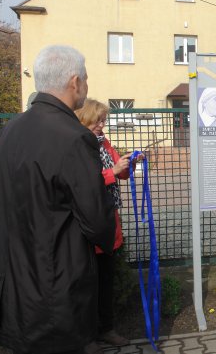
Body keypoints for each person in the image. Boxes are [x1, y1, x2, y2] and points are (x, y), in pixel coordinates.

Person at [0, 45, 116, 354]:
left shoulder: (10, 130)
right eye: (85, 79)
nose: (86, 85)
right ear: (74, 82)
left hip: (14, 287)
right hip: (57, 291)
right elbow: (96, 219)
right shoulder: (74, 137)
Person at [75, 99, 134, 348]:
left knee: (105, 282)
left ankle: (106, 329)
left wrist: (126, 165)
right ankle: (86, 336)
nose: (102, 125)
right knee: (86, 287)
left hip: (109, 220)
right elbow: (81, 183)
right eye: (98, 120)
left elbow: (119, 173)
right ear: (85, 119)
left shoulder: (104, 143)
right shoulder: (77, 145)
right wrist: (113, 172)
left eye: (103, 120)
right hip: (88, 224)